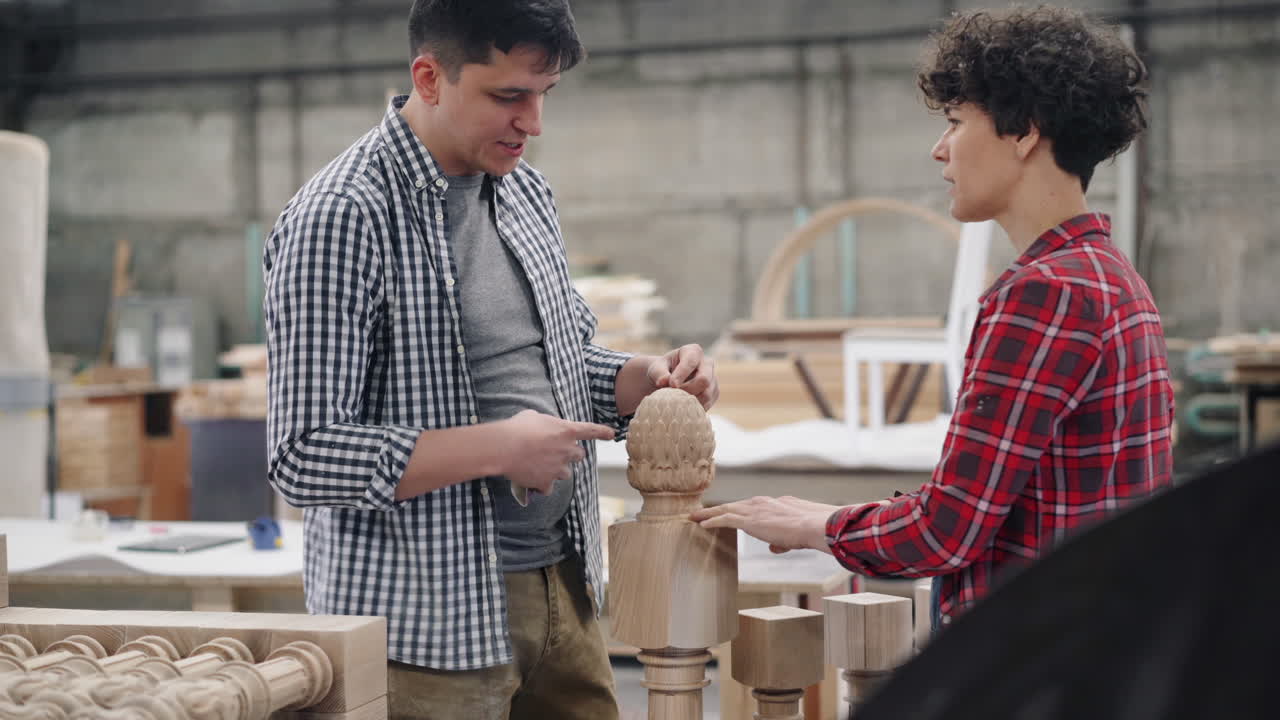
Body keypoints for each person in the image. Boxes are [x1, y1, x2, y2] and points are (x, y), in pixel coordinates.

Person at [262, 1, 717, 718]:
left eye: (544, 96)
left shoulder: (525, 192)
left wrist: (643, 380)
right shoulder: (342, 214)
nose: (532, 123)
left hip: (561, 586)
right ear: (431, 77)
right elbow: (304, 454)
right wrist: (496, 449)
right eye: (508, 96)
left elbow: (561, 370)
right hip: (422, 626)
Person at [693, 5, 1173, 631]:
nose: (939, 149)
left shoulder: (1044, 295)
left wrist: (814, 525)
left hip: (1028, 658)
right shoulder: (1110, 277)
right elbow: (988, 507)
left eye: (954, 122)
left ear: (1024, 130)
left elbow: (946, 534)